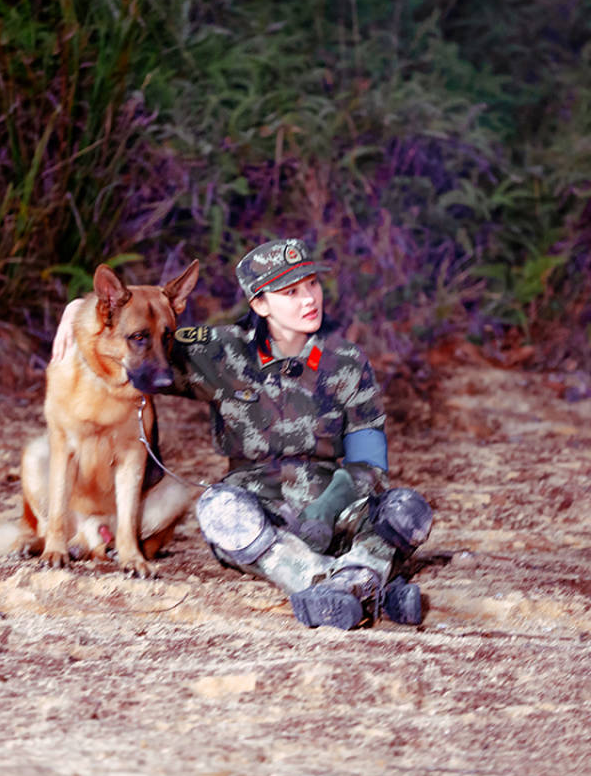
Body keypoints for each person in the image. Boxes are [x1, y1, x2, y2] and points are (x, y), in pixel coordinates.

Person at [53, 238, 433, 630]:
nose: (309, 300)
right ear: (260, 304)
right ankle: (354, 583)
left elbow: (369, 462)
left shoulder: (347, 363)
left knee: (405, 508)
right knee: (218, 510)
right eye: (290, 292)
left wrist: (332, 502)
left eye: (312, 285)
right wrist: (77, 312)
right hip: (258, 519)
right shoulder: (221, 351)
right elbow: (129, 336)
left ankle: (347, 588)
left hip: (335, 514)